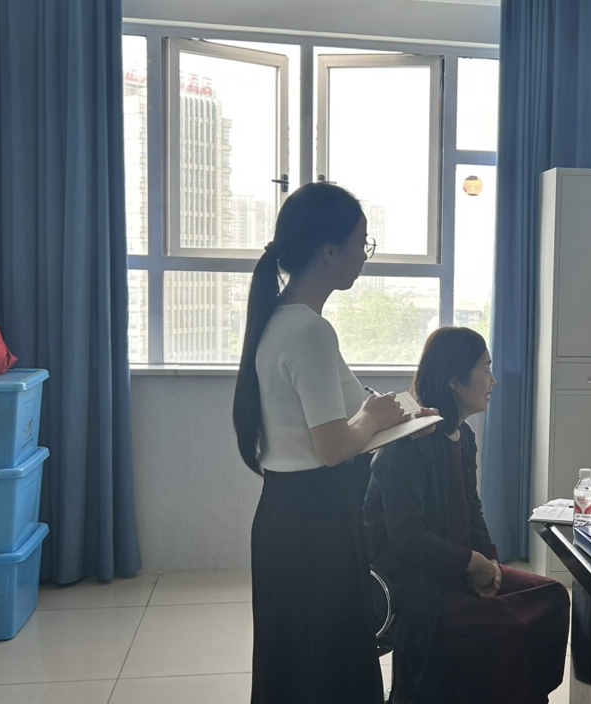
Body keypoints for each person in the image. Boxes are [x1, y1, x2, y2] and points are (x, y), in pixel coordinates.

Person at [233, 182, 424, 703]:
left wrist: (401, 415)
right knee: (328, 667)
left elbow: (349, 416)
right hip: (315, 523)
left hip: (289, 516)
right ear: (328, 251)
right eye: (362, 243)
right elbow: (334, 446)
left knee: (296, 667)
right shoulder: (309, 331)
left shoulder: (282, 319)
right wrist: (371, 416)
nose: (364, 255)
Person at [364, 327, 570, 704]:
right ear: (455, 381)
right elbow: (406, 539)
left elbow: (472, 510)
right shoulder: (407, 445)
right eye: (485, 369)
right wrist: (471, 563)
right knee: (512, 626)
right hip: (420, 584)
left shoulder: (463, 436)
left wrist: (489, 562)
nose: (493, 380)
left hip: (460, 567)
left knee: (552, 597)